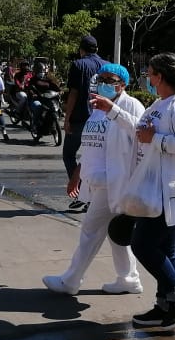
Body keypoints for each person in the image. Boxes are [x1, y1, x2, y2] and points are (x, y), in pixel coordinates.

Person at [107, 53, 175, 330]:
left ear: (160, 76)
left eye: (150, 73)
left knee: (143, 245)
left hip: (169, 189)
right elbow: (139, 129)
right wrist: (112, 111)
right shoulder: (161, 104)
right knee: (165, 249)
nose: (148, 78)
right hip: (156, 186)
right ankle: (165, 304)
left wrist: (157, 140)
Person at [42, 63, 146, 296]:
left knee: (90, 230)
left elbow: (141, 138)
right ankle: (128, 279)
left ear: (123, 84)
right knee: (114, 232)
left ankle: (70, 281)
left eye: (111, 80)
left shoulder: (131, 105)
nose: (105, 83)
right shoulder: (97, 106)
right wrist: (77, 175)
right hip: (97, 179)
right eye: (102, 78)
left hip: (115, 181)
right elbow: (92, 145)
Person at [63, 36, 105, 177]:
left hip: (80, 118)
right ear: (97, 49)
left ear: (81, 50)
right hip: (101, 120)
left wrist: (67, 118)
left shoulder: (78, 65)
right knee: (96, 158)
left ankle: (78, 190)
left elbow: (73, 93)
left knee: (69, 155)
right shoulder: (106, 65)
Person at [26, 61, 62, 144]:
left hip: (48, 98)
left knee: (56, 104)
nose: (41, 72)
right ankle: (35, 125)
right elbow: (30, 89)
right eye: (39, 71)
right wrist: (33, 94)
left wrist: (60, 91)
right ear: (35, 71)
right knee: (37, 106)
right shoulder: (33, 80)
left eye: (42, 70)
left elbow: (55, 86)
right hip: (37, 99)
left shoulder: (48, 79)